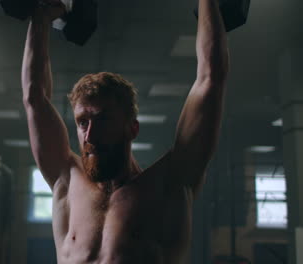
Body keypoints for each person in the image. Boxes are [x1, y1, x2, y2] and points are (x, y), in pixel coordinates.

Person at [21, 0, 229, 262]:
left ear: (132, 128)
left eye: (103, 120)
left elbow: (211, 78)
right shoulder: (67, 180)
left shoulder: (171, 183)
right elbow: (34, 97)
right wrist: (42, 15)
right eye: (82, 122)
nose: (90, 135)